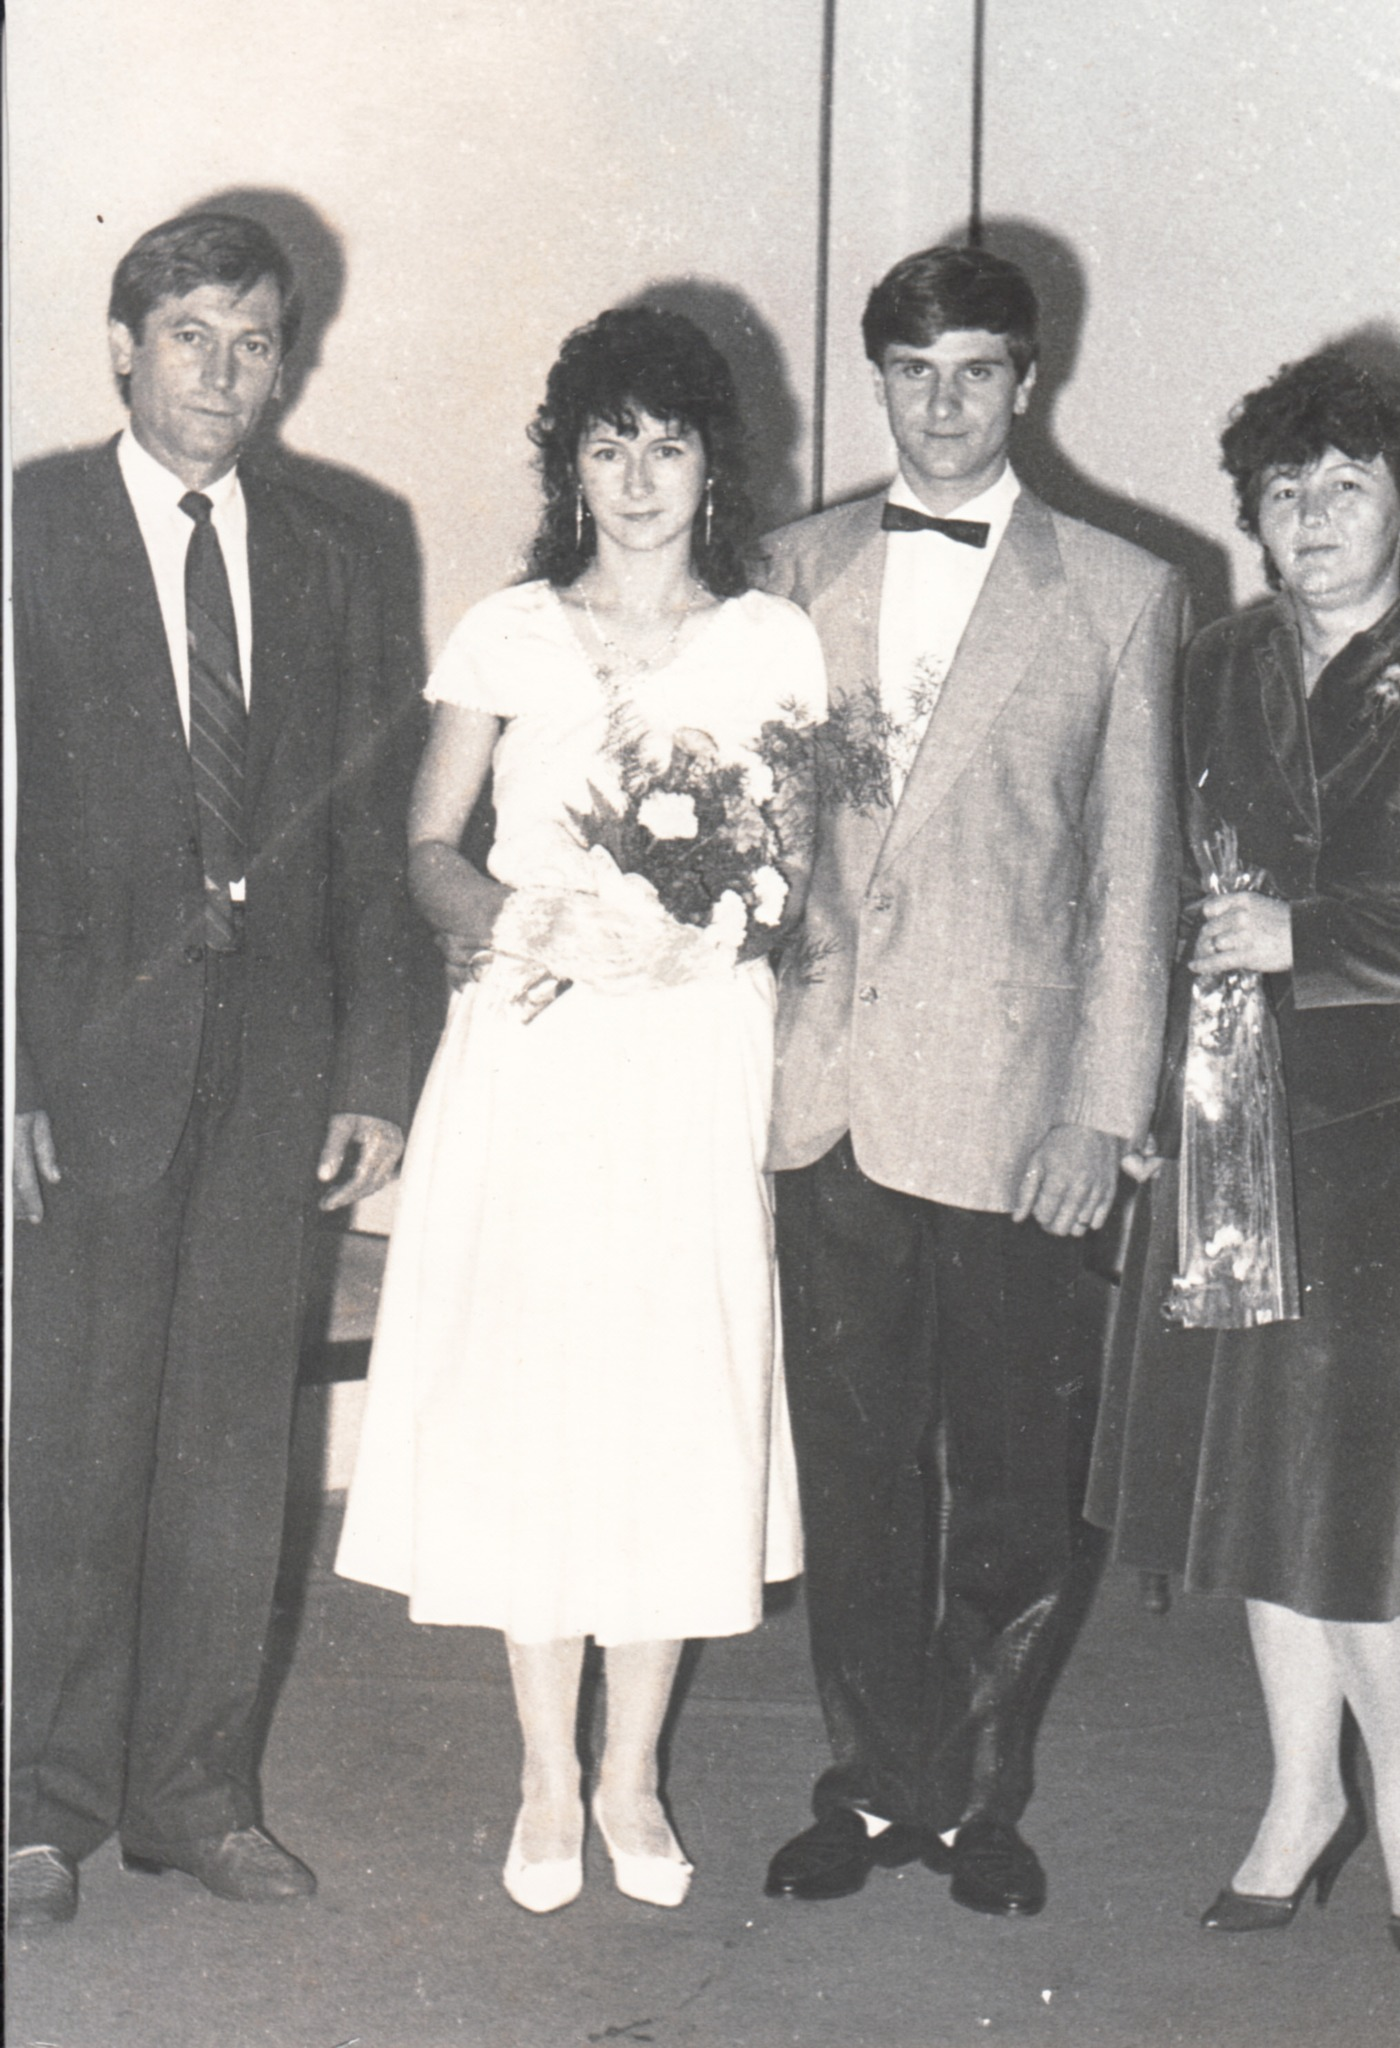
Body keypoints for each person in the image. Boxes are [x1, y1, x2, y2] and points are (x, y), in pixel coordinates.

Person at [334, 307, 827, 1915]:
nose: (637, 477)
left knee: (671, 1401)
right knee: (537, 1400)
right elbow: (427, 848)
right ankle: (547, 1772)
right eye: (607, 445)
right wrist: (517, 919)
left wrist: (705, 934)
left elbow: (793, 870)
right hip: (533, 1054)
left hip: (688, 1060)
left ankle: (632, 1777)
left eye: (666, 445)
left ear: (712, 464)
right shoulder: (507, 630)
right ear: (570, 465)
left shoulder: (771, 640)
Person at [758, 245, 1184, 1916]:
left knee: (1013, 1477)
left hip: (1021, 1111)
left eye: (977, 371)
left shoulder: (1123, 591)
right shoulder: (786, 569)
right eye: (914, 373)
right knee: (856, 1467)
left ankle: (979, 1795)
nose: (943, 406)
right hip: (830, 1095)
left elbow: (1135, 883)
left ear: (1028, 380)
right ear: (880, 380)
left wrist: (1103, 1111)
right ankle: (874, 1787)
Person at [8, 212, 410, 1927]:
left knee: (236, 1439)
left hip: (276, 1058)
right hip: (81, 1059)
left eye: (253, 344)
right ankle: (39, 1808)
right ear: (123, 346)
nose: (222, 376)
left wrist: (374, 1066)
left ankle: (195, 1798)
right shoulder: (27, 527)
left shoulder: (340, 545)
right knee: (77, 1433)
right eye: (189, 336)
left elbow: (374, 828)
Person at [1088, 348, 1400, 1957]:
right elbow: (1153, 889)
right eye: (1284, 488)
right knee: (1260, 1478)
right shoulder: (1215, 662)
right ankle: (1297, 1793)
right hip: (1229, 1118)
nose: (1312, 516)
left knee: (1364, 1496)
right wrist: (1142, 1094)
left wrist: (1303, 937)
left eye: (1347, 486)